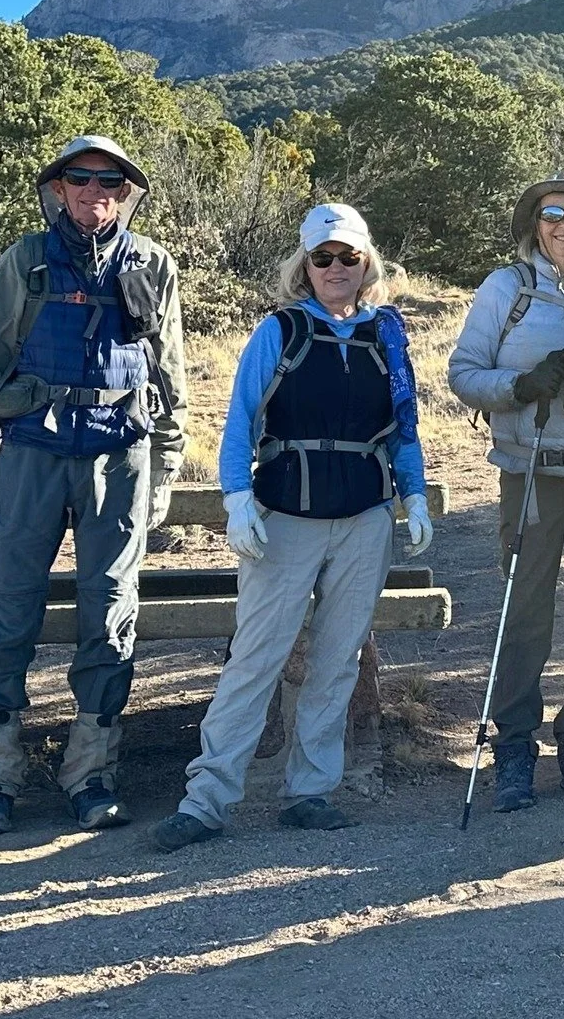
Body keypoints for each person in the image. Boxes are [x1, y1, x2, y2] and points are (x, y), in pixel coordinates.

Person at [151, 204, 430, 852]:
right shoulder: (279, 332)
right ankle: (207, 799)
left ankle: (310, 791)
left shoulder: (385, 337)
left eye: (348, 257)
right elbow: (239, 422)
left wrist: (413, 496)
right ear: (304, 266)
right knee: (256, 660)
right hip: (285, 517)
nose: (336, 268)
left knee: (336, 663)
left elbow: (403, 430)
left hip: (364, 516)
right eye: (323, 258)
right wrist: (238, 499)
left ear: (367, 263)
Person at [0, 136, 187, 836]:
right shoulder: (24, 262)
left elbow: (170, 371)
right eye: (78, 178)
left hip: (121, 457)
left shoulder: (153, 265)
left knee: (110, 611)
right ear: (57, 189)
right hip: (31, 454)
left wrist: (167, 462)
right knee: (8, 606)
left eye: (108, 179)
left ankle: (92, 774)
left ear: (125, 190)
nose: (93, 190)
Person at [448, 168, 564, 810]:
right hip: (528, 466)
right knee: (523, 604)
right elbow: (464, 372)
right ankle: (515, 745)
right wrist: (519, 386)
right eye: (553, 213)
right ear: (535, 223)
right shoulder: (506, 289)